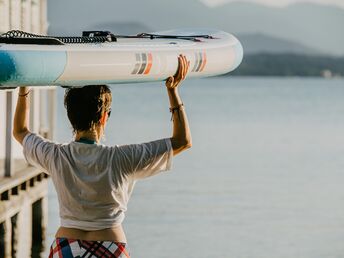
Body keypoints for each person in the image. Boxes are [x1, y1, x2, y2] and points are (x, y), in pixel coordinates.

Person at [13, 55, 191, 258]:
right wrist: (173, 91)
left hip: (66, 247)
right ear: (104, 116)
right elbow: (182, 141)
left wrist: (23, 88)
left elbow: (20, 131)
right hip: (110, 247)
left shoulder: (55, 156)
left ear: (71, 117)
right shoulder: (123, 158)